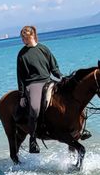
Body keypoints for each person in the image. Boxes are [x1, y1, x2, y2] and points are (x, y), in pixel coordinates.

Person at [15, 25, 67, 153]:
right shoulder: (22, 54)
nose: (23, 40)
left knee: (69, 96)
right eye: (22, 37)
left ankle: (77, 129)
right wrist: (22, 95)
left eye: (25, 37)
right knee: (35, 108)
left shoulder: (44, 49)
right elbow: (20, 76)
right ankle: (33, 140)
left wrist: (61, 76)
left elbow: (54, 68)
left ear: (32, 36)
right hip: (33, 84)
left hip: (48, 80)